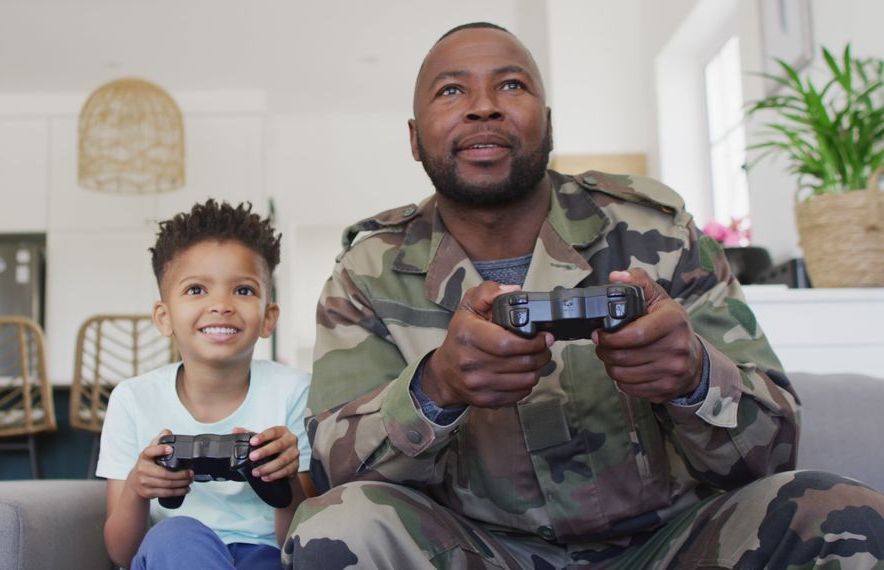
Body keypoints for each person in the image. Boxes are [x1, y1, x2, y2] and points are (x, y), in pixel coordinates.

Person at [283, 22, 884, 569]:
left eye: (511, 85)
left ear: (548, 122)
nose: (484, 107)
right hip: (479, 552)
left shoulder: (661, 235)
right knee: (337, 525)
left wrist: (695, 377)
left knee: (837, 509)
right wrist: (436, 388)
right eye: (451, 92)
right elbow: (336, 471)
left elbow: (772, 451)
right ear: (415, 139)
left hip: (674, 546)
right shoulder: (368, 272)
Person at [97, 199, 314, 570]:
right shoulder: (133, 399)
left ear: (268, 317)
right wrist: (137, 486)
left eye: (243, 291)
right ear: (163, 317)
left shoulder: (296, 392)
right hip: (174, 555)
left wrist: (286, 482)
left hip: (267, 556)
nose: (221, 305)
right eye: (196, 289)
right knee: (175, 533)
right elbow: (121, 552)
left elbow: (301, 542)